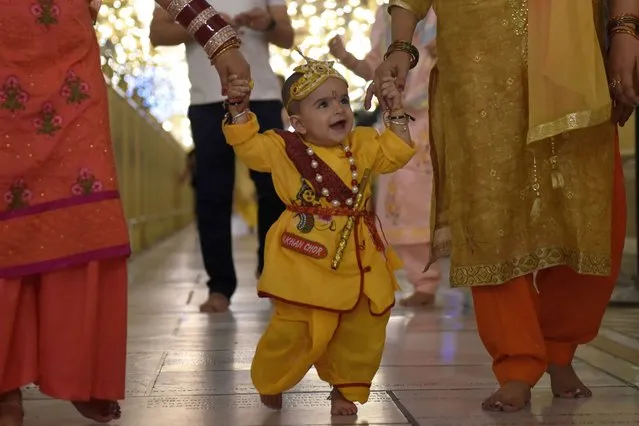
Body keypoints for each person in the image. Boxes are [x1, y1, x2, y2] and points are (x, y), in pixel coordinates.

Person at [366, 0, 638, 412]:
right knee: (488, 214)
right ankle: (516, 362)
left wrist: (625, 33)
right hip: (476, 60)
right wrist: (400, 46)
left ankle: (559, 346)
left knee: (586, 206)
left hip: (574, 59)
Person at [0, 0, 249, 424]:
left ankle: (79, 371)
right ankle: (4, 388)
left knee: (83, 214)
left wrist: (218, 40)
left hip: (70, 79)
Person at [222, 53, 415, 415]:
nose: (338, 109)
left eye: (343, 99)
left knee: (364, 328)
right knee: (295, 328)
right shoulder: (283, 148)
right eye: (323, 104)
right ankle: (273, 377)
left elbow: (398, 152)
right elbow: (249, 148)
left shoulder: (363, 142)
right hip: (305, 260)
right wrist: (238, 109)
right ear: (298, 123)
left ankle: (345, 387)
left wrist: (395, 109)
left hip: (359, 260)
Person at [150, 0, 293, 313]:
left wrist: (266, 23)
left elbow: (287, 36)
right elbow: (157, 32)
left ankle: (271, 271)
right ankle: (219, 286)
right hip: (207, 99)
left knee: (275, 188)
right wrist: (205, 25)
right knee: (212, 193)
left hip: (263, 96)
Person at [329, 6, 440, 307]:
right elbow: (377, 69)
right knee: (401, 204)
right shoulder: (386, 16)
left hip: (440, 117)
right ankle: (423, 280)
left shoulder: (440, 10)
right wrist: (345, 58)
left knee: (439, 200)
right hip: (399, 123)